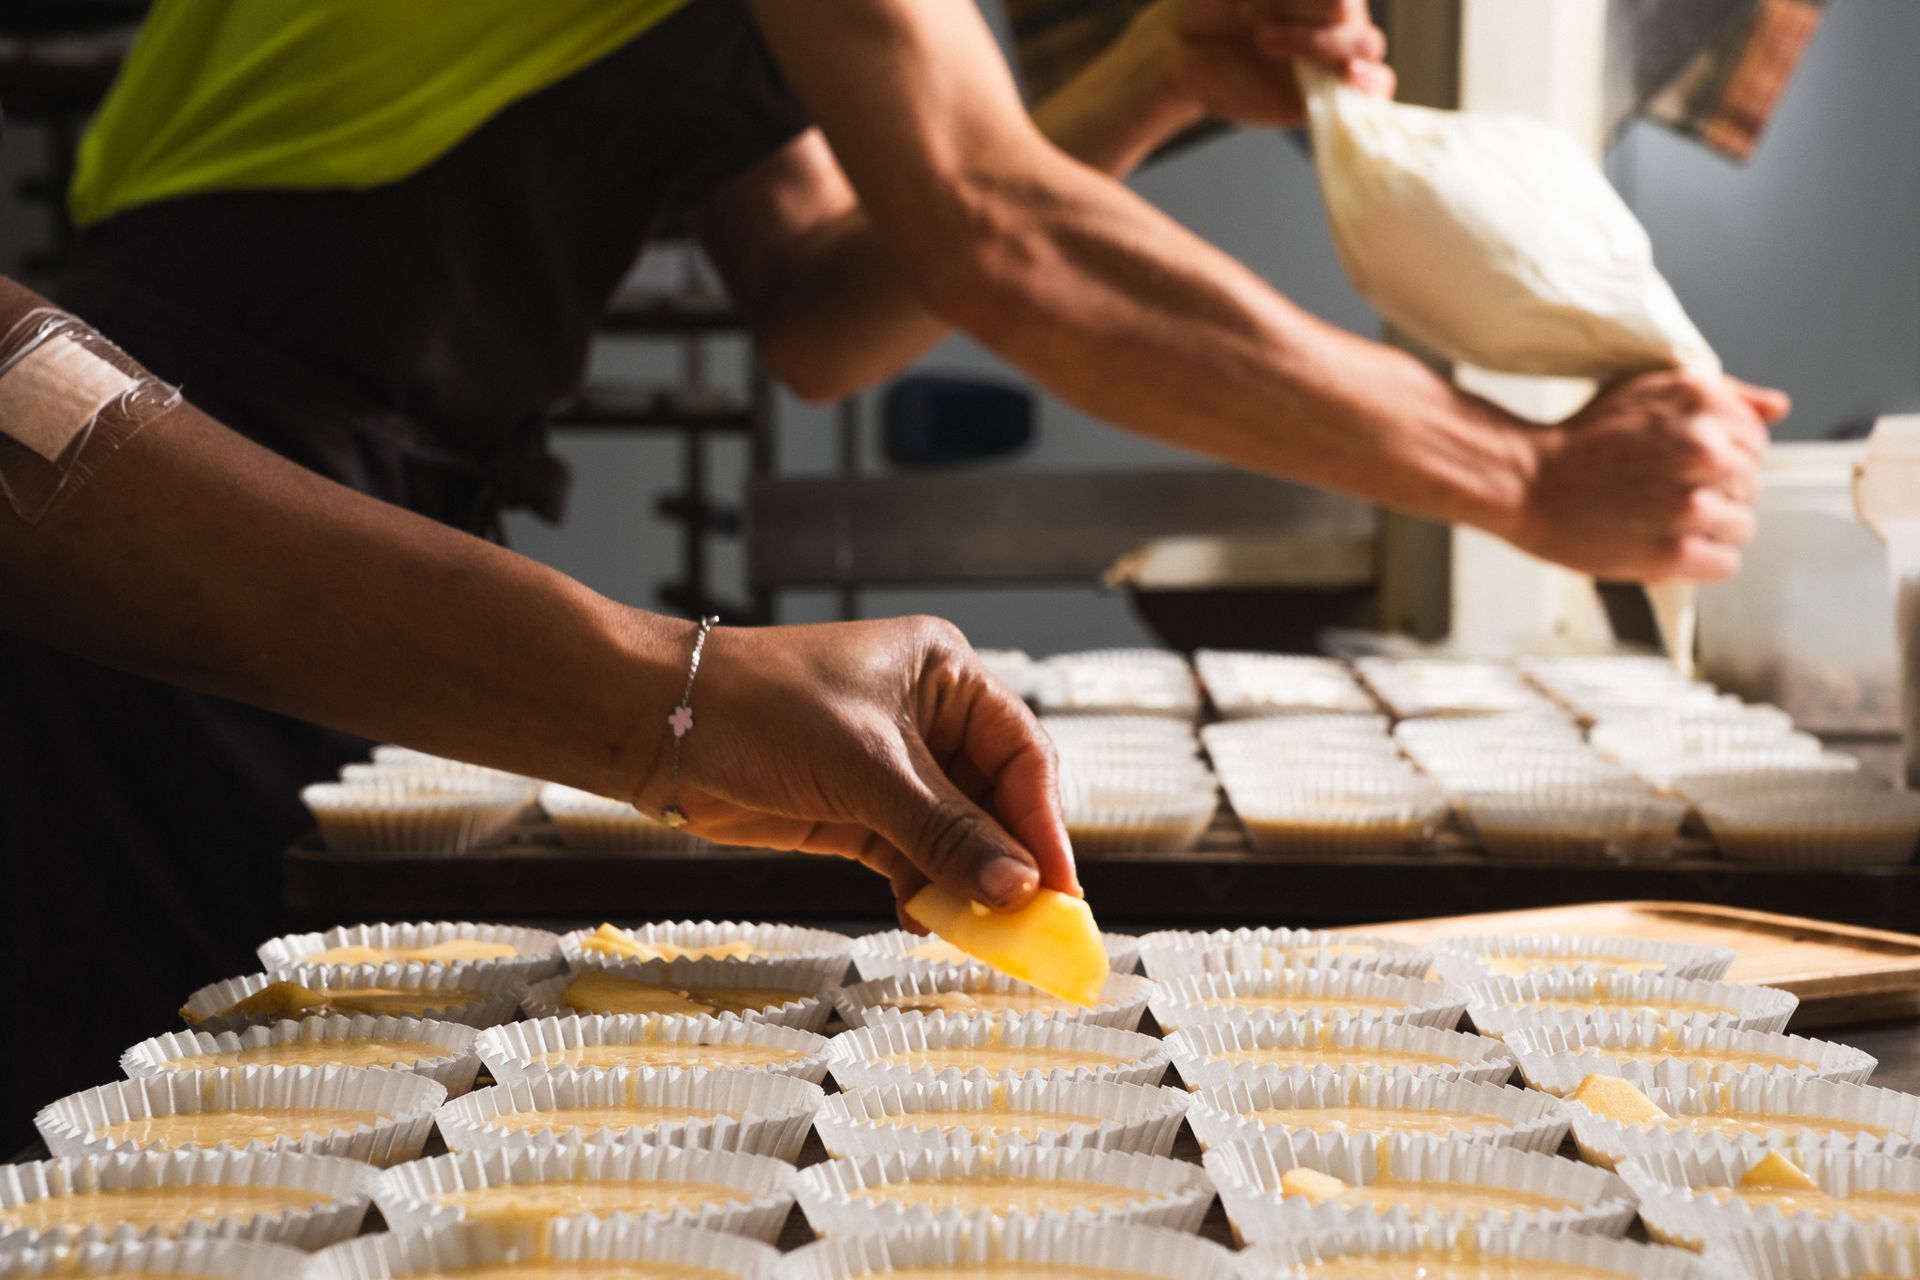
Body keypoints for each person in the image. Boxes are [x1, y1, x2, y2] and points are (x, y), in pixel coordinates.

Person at [0, 0, 1781, 1128]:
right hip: (180, 458)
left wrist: (1150, 73)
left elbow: (827, 301)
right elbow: (999, 229)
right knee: (162, 1113)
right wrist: (1523, 473)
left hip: (298, 437)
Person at [0, 272, 1074, 1139]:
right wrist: (674, 701)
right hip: (159, 489)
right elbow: (987, 215)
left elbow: (826, 297)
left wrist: (674, 715)